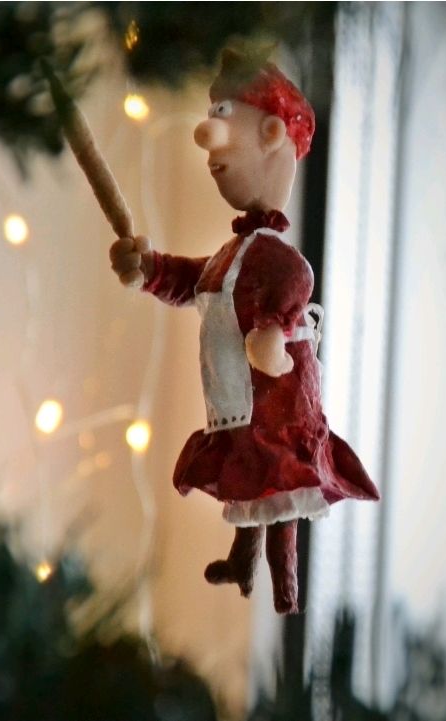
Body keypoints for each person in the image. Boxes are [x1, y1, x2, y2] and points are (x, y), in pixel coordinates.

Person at [109, 48, 380, 614]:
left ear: (271, 132)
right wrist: (149, 269)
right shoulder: (232, 255)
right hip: (238, 405)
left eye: (223, 114)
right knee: (252, 478)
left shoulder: (272, 256)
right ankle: (242, 562)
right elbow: (192, 281)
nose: (206, 137)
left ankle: (286, 583)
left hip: (276, 409)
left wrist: (274, 334)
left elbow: (296, 280)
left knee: (280, 486)